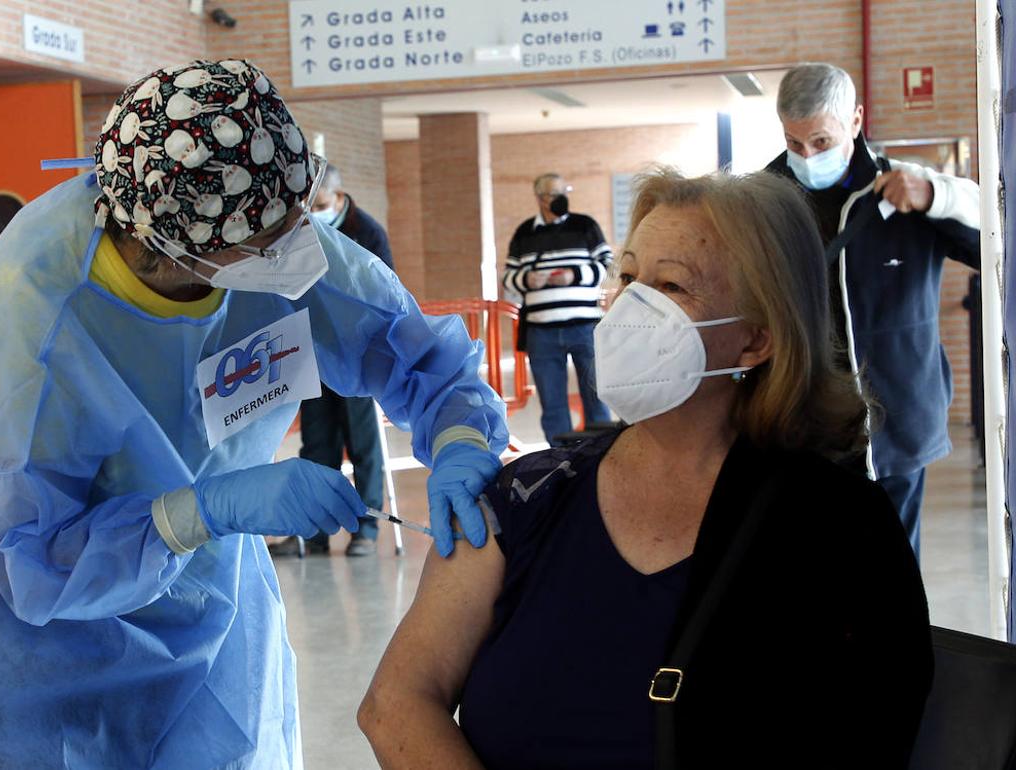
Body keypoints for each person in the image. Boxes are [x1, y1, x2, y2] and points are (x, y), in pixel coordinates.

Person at [0, 60, 508, 769]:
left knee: (232, 745)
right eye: (269, 242)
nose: (298, 251)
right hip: (24, 619)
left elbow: (420, 356)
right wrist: (205, 508)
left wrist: (460, 438)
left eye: (297, 220)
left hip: (207, 568)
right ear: (169, 253)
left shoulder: (259, 223)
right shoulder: (20, 329)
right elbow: (37, 560)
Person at [359, 170, 932, 769]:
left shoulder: (836, 526)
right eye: (629, 278)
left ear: (756, 340)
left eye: (672, 287)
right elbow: (396, 702)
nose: (631, 307)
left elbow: (872, 734)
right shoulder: (531, 495)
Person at [766, 62, 981, 558]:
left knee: (894, 568)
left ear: (856, 121)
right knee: (816, 566)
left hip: (897, 420)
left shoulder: (905, 190)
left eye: (821, 141)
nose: (807, 155)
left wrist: (937, 194)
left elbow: (997, 234)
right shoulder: (765, 200)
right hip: (804, 420)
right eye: (794, 143)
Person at [269, 165, 394, 557]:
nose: (313, 210)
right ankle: (313, 533)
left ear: (338, 198)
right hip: (311, 350)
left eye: (320, 204)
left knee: (363, 444)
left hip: (356, 354)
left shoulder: (368, 232)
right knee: (317, 444)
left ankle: (367, 529)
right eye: (308, 204)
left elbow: (385, 293)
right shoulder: (298, 229)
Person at [502, 173, 613, 445]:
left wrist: (574, 275)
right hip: (542, 333)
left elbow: (608, 264)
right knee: (553, 405)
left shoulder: (586, 226)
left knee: (596, 395)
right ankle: (561, 461)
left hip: (585, 327)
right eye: (555, 193)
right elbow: (509, 276)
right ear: (540, 198)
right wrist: (526, 280)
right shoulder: (525, 232)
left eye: (565, 191)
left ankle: (599, 455)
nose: (562, 198)